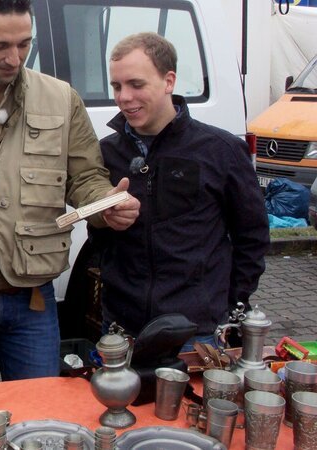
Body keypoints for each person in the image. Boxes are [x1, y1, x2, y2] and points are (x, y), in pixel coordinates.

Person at [0, 0, 140, 384]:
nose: (14, 57)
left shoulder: (61, 99)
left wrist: (105, 205)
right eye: (0, 46)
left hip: (33, 300)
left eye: (24, 44)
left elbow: (85, 176)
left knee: (40, 418)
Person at [91, 32, 269, 348]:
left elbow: (252, 236)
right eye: (117, 86)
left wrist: (229, 301)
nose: (124, 97)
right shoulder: (106, 154)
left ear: (169, 81)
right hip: (122, 329)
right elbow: (99, 238)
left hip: (195, 333)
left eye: (136, 84)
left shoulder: (221, 150)